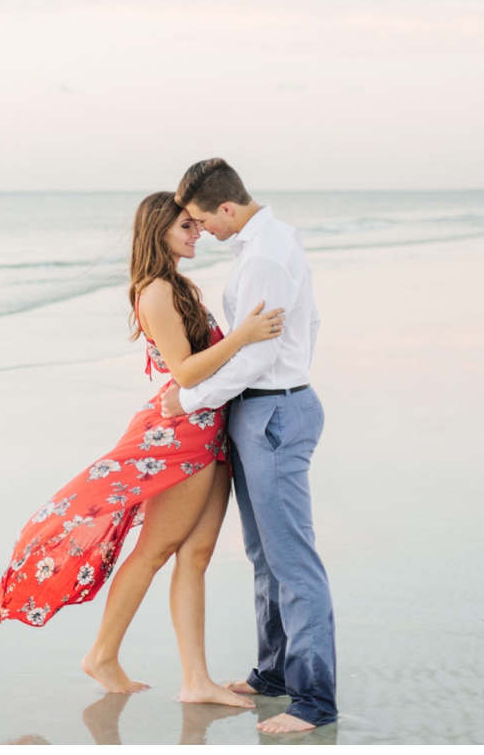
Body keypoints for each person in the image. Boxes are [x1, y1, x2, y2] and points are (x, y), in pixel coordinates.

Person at [0, 191, 284, 708]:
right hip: (180, 437)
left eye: (196, 224)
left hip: (208, 432)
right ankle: (102, 655)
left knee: (196, 554)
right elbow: (185, 372)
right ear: (158, 229)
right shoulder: (156, 291)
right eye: (186, 226)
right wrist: (246, 334)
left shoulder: (178, 285)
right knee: (156, 551)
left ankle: (196, 681)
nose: (196, 233)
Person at [160, 158, 337, 735]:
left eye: (200, 219)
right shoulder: (270, 240)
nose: (199, 231)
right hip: (267, 406)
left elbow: (258, 353)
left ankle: (314, 701)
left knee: (292, 561)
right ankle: (274, 675)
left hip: (274, 410)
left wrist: (189, 401)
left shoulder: (262, 254)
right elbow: (309, 324)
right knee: (264, 555)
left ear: (227, 208)